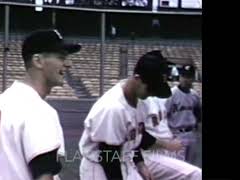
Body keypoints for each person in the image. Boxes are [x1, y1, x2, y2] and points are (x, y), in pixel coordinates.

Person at [0, 29, 81, 180]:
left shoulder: (3, 99)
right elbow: (44, 175)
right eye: (61, 57)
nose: (68, 64)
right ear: (38, 61)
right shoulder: (40, 111)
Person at [78, 50, 182, 180]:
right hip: (99, 168)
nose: (152, 93)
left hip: (124, 161)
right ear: (137, 79)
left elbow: (134, 137)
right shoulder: (113, 108)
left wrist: (140, 163)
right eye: (150, 88)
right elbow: (108, 157)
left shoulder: (139, 100)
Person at [138, 96, 202, 180]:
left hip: (167, 150)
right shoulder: (138, 99)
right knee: (196, 174)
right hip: (149, 153)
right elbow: (139, 136)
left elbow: (165, 124)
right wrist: (168, 145)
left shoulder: (160, 98)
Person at [166, 64, 202, 166]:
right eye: (184, 76)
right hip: (176, 134)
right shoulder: (171, 94)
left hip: (191, 134)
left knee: (190, 167)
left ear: (193, 78)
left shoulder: (194, 95)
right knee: (177, 166)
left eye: (189, 77)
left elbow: (198, 116)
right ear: (180, 77)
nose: (186, 80)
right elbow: (164, 116)